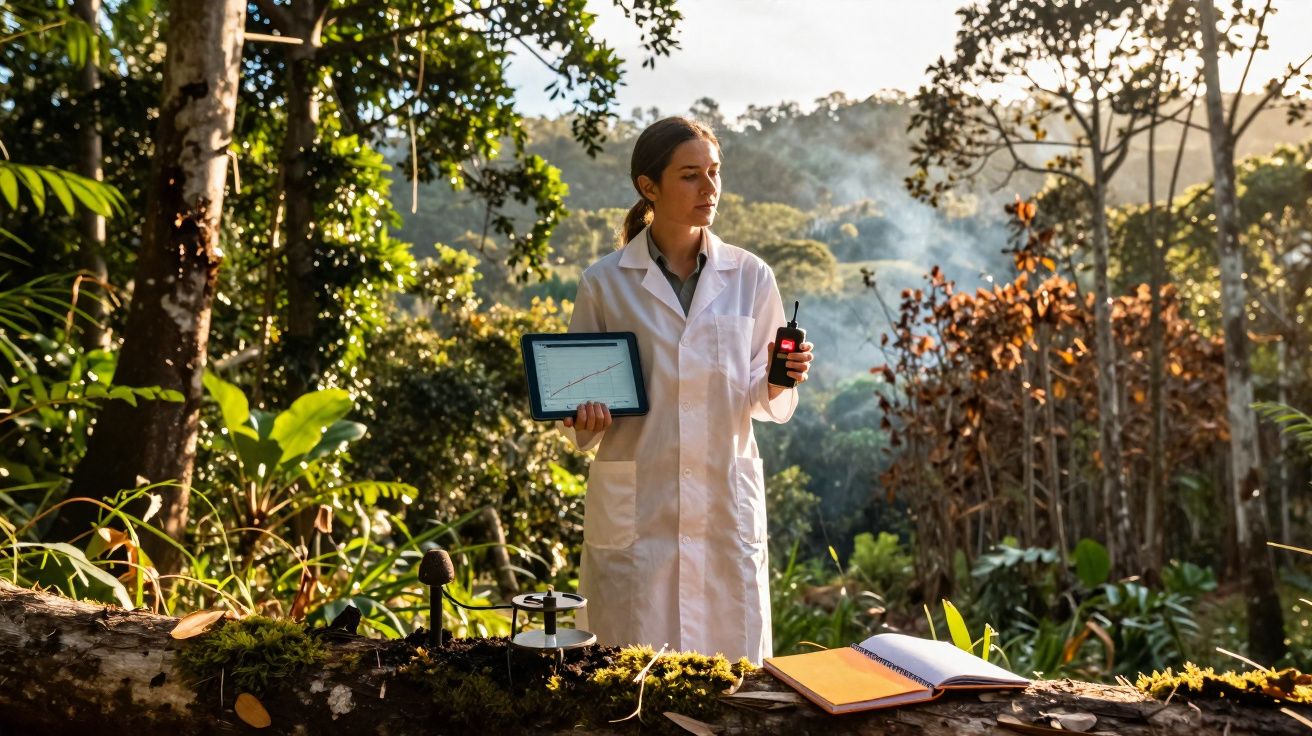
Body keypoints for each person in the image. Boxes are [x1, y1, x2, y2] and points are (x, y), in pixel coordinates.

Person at [559, 116, 814, 664]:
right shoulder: (603, 283)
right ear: (649, 188)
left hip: (724, 507)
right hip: (639, 509)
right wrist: (586, 418)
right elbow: (579, 400)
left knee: (733, 686)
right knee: (625, 679)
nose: (710, 188)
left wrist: (778, 377)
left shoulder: (750, 276)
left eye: (715, 173)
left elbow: (761, 397)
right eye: (691, 176)